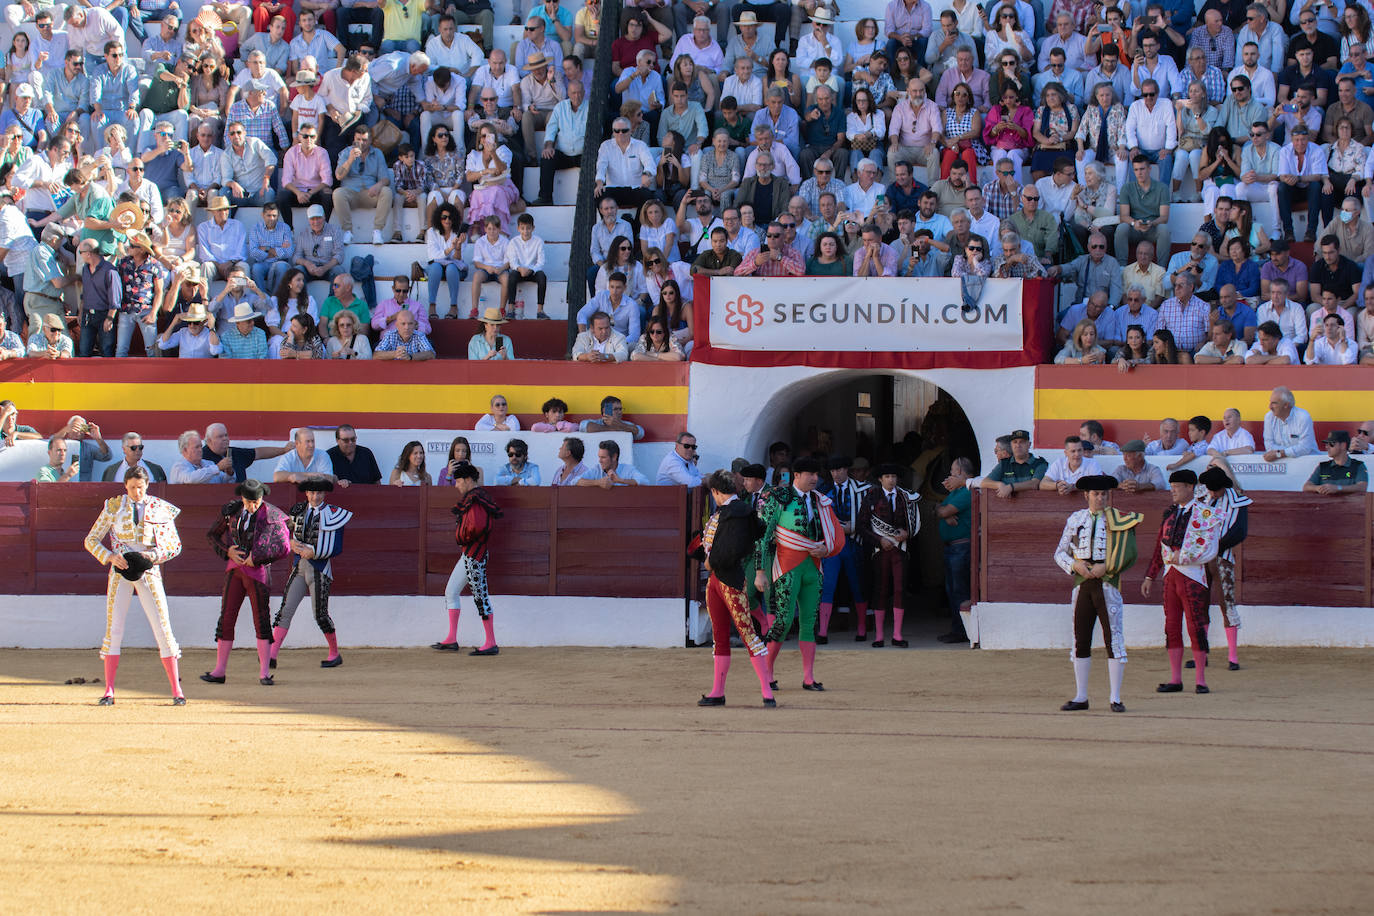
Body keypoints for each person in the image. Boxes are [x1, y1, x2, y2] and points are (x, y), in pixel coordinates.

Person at [83, 466, 187, 706]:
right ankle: (109, 690)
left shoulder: (160, 508)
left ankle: (177, 690)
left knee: (163, 627)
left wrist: (154, 555)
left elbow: (175, 545)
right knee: (115, 629)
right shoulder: (113, 507)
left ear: (147, 485)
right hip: (120, 571)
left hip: (149, 571)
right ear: (125, 486)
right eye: (132, 488)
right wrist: (109, 556)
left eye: (140, 487)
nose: (136, 492)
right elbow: (90, 539)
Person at [755, 456, 843, 691]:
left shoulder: (819, 500)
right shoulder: (779, 496)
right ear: (796, 476)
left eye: (816, 474)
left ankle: (808, 677)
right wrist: (760, 571)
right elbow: (762, 536)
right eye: (809, 474)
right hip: (786, 567)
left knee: (809, 622)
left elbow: (831, 532)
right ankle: (768, 672)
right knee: (782, 622)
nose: (814, 478)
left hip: (813, 567)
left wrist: (826, 547)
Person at [693, 469, 775, 708]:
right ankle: (718, 691)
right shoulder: (736, 511)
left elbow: (733, 548)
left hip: (729, 579)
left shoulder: (738, 512)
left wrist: (711, 561)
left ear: (716, 492)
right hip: (717, 580)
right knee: (721, 637)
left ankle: (767, 691)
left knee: (748, 634)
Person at [1143, 469, 1226, 695]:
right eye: (1171, 488)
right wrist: (1151, 575)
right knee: (1171, 627)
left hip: (1193, 576)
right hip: (1171, 575)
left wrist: (1187, 556)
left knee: (1195, 626)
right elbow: (1159, 547)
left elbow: (1211, 548)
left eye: (1177, 487)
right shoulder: (1169, 514)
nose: (1173, 491)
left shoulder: (1206, 514)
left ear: (1191, 487)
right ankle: (1175, 679)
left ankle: (1200, 680)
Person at [202, 479, 292, 687]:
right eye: (249, 501)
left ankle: (264, 673)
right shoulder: (232, 510)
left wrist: (258, 557)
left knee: (261, 619)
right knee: (226, 618)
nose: (253, 505)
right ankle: (219, 671)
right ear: (242, 499)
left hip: (258, 572)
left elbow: (283, 546)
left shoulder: (272, 514)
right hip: (235, 570)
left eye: (256, 501)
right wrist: (228, 551)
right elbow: (212, 535)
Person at [269, 479, 353, 670]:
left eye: (319, 493)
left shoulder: (334, 514)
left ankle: (334, 653)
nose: (315, 497)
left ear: (325, 494)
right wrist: (290, 542)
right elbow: (285, 531)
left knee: (320, 615)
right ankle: (272, 655)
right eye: (312, 493)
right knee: (285, 610)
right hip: (299, 567)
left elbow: (336, 547)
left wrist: (315, 553)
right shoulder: (298, 510)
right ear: (306, 493)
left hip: (320, 569)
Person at [434, 463, 503, 655]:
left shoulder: (475, 499)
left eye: (458, 481)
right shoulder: (476, 498)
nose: (456, 485)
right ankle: (451, 639)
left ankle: (491, 642)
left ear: (467, 480)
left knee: (480, 595)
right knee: (451, 591)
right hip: (470, 553)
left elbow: (477, 526)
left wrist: (462, 536)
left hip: (474, 553)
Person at [856, 462, 919, 649]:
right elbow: (862, 526)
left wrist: (907, 533)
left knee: (899, 589)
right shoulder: (871, 496)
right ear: (880, 479)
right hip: (880, 550)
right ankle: (879, 635)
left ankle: (897, 635)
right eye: (887, 477)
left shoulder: (905, 496)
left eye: (894, 476)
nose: (891, 480)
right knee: (880, 589)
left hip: (900, 548)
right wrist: (878, 541)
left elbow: (913, 522)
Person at [1197, 464, 1251, 671]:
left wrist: (1214, 547)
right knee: (1200, 605)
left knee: (1226, 604)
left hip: (1222, 557)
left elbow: (1240, 532)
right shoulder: (1202, 498)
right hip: (1202, 559)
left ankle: (1233, 657)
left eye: (1215, 490)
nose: (1212, 493)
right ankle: (1202, 653)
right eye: (1210, 489)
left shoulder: (1237, 500)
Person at [982, 428, 1049, 497]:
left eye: (1022, 442)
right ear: (1011, 445)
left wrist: (1011, 487)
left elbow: (1035, 484)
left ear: (1029, 444)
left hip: (1032, 505)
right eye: (1015, 442)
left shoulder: (1039, 463)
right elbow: (984, 482)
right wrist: (1000, 485)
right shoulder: (1004, 463)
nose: (1018, 445)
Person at [1263, 385, 1319, 461]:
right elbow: (1269, 447)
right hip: (1281, 464)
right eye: (1270, 402)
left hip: (1308, 463)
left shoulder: (1303, 417)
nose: (1270, 407)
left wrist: (1279, 453)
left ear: (1286, 405)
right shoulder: (1269, 417)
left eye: (1274, 403)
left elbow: (1305, 448)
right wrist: (1291, 451)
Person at [1304, 430, 1370, 495]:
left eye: (1331, 444)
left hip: (1350, 504)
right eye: (1326, 444)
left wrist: (1338, 488)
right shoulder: (1322, 466)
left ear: (1343, 445)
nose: (1327, 447)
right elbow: (1306, 487)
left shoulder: (1358, 465)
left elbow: (1362, 487)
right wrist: (1318, 488)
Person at [579, 440, 651, 487]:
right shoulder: (597, 469)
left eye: (603, 457)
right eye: (599, 457)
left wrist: (619, 480)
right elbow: (575, 481)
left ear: (614, 457)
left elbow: (645, 482)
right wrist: (598, 482)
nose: (600, 461)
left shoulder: (627, 469)